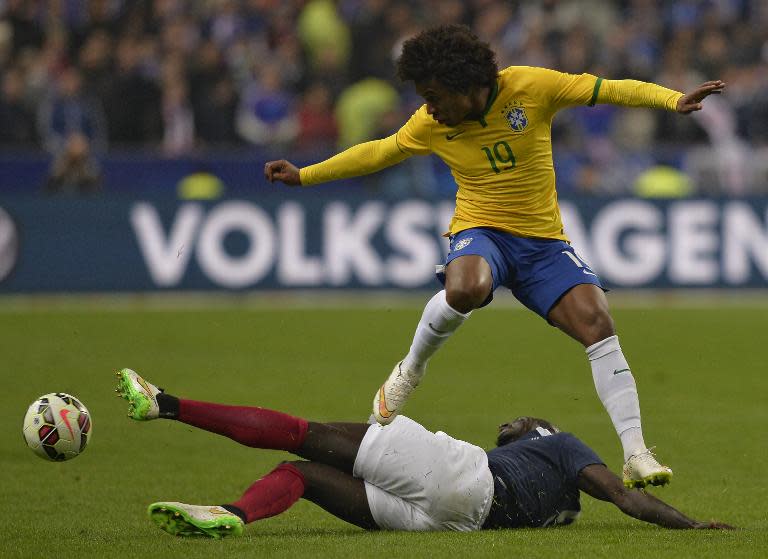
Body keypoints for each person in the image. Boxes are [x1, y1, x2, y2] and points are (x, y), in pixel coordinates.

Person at [263, 24, 727, 488]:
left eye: (434, 94)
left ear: (466, 85)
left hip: (543, 243)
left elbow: (607, 89)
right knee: (466, 285)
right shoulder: (430, 124)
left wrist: (671, 99)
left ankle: (635, 454)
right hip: (480, 230)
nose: (429, 106)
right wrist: (305, 176)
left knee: (598, 324)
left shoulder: (531, 87)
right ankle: (411, 368)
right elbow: (378, 152)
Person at [115, 368, 732, 538]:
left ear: (540, 431)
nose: (506, 421)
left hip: (463, 477)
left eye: (516, 421)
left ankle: (166, 405)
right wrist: (696, 526)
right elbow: (621, 500)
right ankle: (234, 513)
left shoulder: (564, 446)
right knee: (296, 474)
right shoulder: (563, 501)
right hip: (452, 521)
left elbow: (628, 496)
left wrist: (693, 523)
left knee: (298, 433)